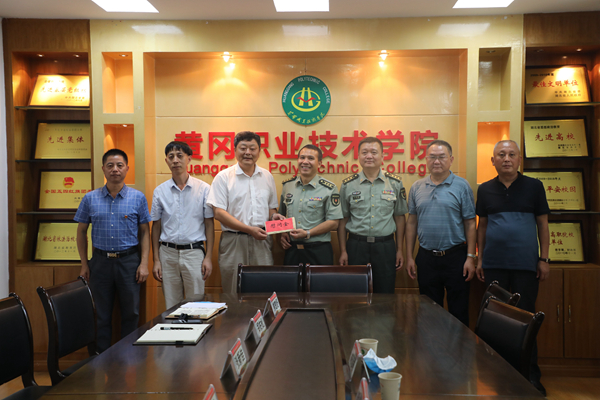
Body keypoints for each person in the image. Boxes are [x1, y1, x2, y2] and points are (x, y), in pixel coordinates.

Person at [476, 139, 550, 396]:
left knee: (526, 319)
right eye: (501, 154)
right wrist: (480, 259)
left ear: (519, 159)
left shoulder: (534, 186)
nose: (506, 159)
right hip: (494, 264)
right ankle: (497, 375)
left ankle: (530, 376)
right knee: (496, 320)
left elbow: (543, 225)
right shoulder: (485, 189)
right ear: (493, 160)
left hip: (525, 265)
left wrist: (544, 259)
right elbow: (482, 226)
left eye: (511, 154)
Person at [75, 149, 151, 352]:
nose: (115, 169)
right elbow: (81, 232)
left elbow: (145, 232)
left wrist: (144, 263)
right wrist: (84, 264)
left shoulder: (138, 198)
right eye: (110, 165)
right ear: (103, 169)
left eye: (119, 165)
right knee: (100, 315)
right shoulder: (90, 198)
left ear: (127, 168)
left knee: (131, 313)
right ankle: (99, 359)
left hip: (129, 262)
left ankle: (128, 360)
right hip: (99, 263)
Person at [405, 139, 476, 326]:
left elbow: (470, 223)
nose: (437, 161)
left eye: (442, 157)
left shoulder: (462, 186)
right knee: (428, 312)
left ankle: (459, 346)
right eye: (432, 157)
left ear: (451, 159)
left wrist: (471, 257)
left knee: (458, 311)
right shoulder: (417, 187)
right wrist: (409, 256)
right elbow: (411, 223)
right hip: (426, 257)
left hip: (456, 257)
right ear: (426, 160)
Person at [207, 131, 278, 293]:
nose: (248, 152)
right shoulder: (223, 177)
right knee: (233, 289)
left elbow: (271, 208)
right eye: (243, 148)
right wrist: (249, 229)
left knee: (263, 288)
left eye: (252, 148)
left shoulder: (267, 176)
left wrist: (274, 216)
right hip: (234, 241)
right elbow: (219, 213)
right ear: (235, 150)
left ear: (259, 151)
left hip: (262, 240)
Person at [338, 137, 407, 293]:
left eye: (374, 152)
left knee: (385, 293)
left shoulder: (395, 183)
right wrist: (343, 250)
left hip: (385, 247)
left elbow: (399, 218)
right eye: (364, 152)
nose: (369, 156)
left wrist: (399, 250)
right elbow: (343, 220)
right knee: (355, 292)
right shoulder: (348, 185)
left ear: (382, 156)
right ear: (358, 156)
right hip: (356, 246)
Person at [150, 141, 214, 309]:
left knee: (197, 306)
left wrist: (208, 257)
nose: (175, 160)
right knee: (171, 305)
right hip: (167, 254)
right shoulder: (160, 191)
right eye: (171, 157)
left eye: (180, 156)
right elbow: (155, 227)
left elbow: (209, 224)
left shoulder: (204, 189)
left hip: (194, 253)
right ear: (166, 161)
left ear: (189, 159)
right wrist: (156, 260)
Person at [274, 144, 342, 265]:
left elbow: (334, 222)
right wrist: (283, 233)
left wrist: (307, 233)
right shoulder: (288, 186)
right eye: (302, 157)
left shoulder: (329, 188)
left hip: (318, 250)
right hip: (292, 250)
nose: (305, 162)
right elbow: (281, 215)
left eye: (310, 158)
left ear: (319, 163)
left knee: (320, 279)